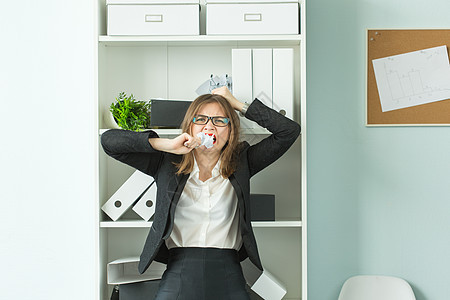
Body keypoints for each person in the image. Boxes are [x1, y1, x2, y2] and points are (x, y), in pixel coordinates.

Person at [101, 86, 301, 300]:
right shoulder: (166, 163)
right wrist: (166, 144)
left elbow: (288, 131)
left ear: (230, 130)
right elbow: (109, 142)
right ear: (190, 127)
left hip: (229, 272)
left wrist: (236, 103)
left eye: (219, 120)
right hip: (179, 271)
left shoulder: (243, 162)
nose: (210, 127)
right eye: (201, 120)